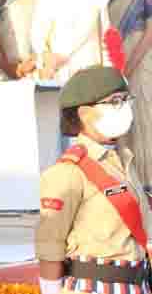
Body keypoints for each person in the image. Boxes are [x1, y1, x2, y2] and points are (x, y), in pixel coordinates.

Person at [36, 66, 151, 294]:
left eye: (126, 99)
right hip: (93, 287)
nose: (125, 107)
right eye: (115, 101)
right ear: (84, 113)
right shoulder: (68, 172)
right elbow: (50, 246)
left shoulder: (124, 162)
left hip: (136, 284)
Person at [108, 0, 152, 191]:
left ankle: (147, 183)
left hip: (141, 61)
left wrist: (130, 65)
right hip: (117, 62)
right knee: (121, 121)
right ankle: (127, 180)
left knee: (144, 118)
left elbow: (149, 33)